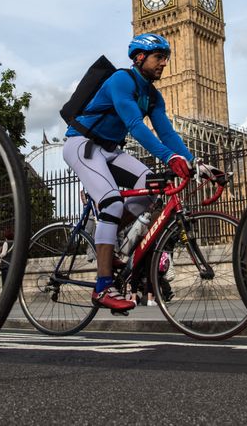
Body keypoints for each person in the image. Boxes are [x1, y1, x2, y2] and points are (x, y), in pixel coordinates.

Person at [62, 34, 199, 312]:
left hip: (110, 150)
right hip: (83, 144)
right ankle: (102, 287)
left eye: (166, 59)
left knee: (152, 188)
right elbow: (135, 125)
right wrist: (169, 158)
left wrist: (195, 164)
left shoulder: (152, 95)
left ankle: (109, 243)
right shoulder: (121, 80)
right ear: (139, 58)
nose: (164, 64)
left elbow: (167, 133)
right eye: (159, 58)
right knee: (111, 202)